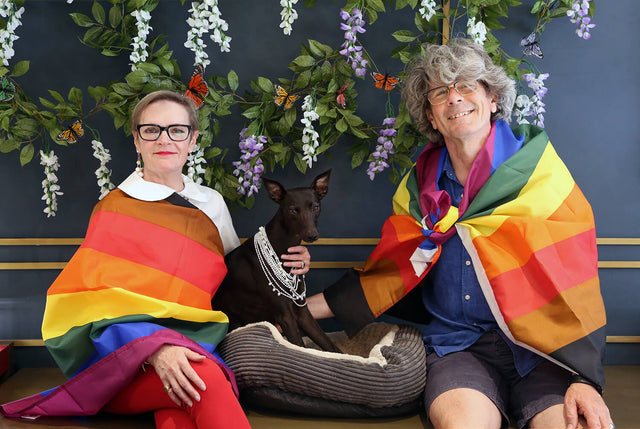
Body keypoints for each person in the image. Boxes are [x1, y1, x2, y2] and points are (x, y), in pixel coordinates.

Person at [308, 39, 613, 429]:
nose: (454, 97)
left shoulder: (541, 175)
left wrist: (584, 378)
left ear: (493, 99)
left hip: (544, 353)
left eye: (467, 84)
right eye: (440, 92)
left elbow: (578, 285)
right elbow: (390, 273)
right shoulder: (419, 190)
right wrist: (293, 310)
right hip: (459, 349)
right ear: (432, 117)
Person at [0, 90, 310, 428]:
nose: (164, 139)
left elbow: (237, 278)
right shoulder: (114, 208)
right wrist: (157, 348)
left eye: (176, 130)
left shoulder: (211, 204)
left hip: (198, 344)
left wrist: (289, 266)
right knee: (200, 378)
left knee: (179, 409)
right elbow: (90, 306)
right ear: (137, 139)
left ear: (192, 140)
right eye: (151, 130)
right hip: (120, 363)